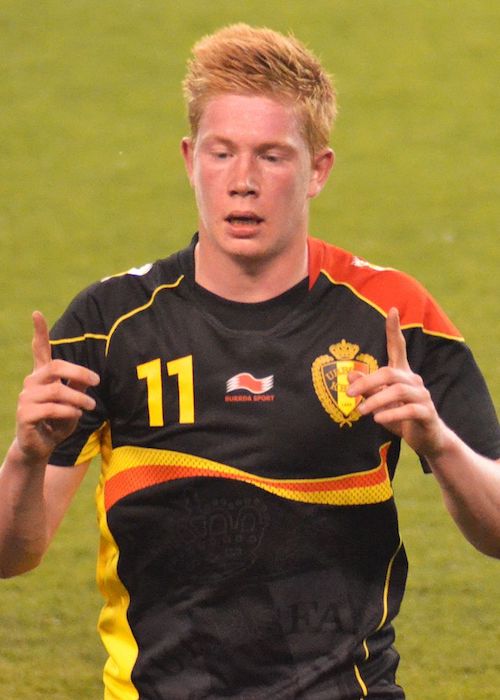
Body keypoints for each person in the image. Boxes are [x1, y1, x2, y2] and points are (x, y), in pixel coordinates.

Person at [0, 22, 499, 700]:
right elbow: (14, 553)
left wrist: (438, 442)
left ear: (318, 169)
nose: (241, 182)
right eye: (221, 153)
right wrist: (26, 457)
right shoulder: (109, 326)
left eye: (271, 156)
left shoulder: (391, 315)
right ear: (188, 158)